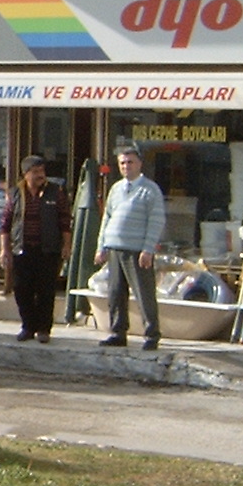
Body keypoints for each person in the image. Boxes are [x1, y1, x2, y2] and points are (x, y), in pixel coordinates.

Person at [94, 142, 166, 350]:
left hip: (137, 250)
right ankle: (118, 332)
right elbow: (107, 219)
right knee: (116, 293)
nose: (126, 166)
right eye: (122, 163)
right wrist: (101, 247)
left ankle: (151, 334)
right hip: (115, 248)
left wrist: (148, 249)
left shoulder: (150, 190)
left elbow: (156, 221)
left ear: (140, 164)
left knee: (143, 293)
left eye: (130, 162)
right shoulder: (116, 189)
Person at [1, 154, 68, 343]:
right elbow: (5, 224)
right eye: (36, 172)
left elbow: (64, 220)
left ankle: (44, 329)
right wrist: (5, 249)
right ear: (26, 174)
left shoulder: (55, 192)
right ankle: (27, 327)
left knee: (46, 291)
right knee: (22, 290)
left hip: (47, 250)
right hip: (22, 249)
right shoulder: (15, 193)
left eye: (42, 171)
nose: (41, 175)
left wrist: (66, 245)